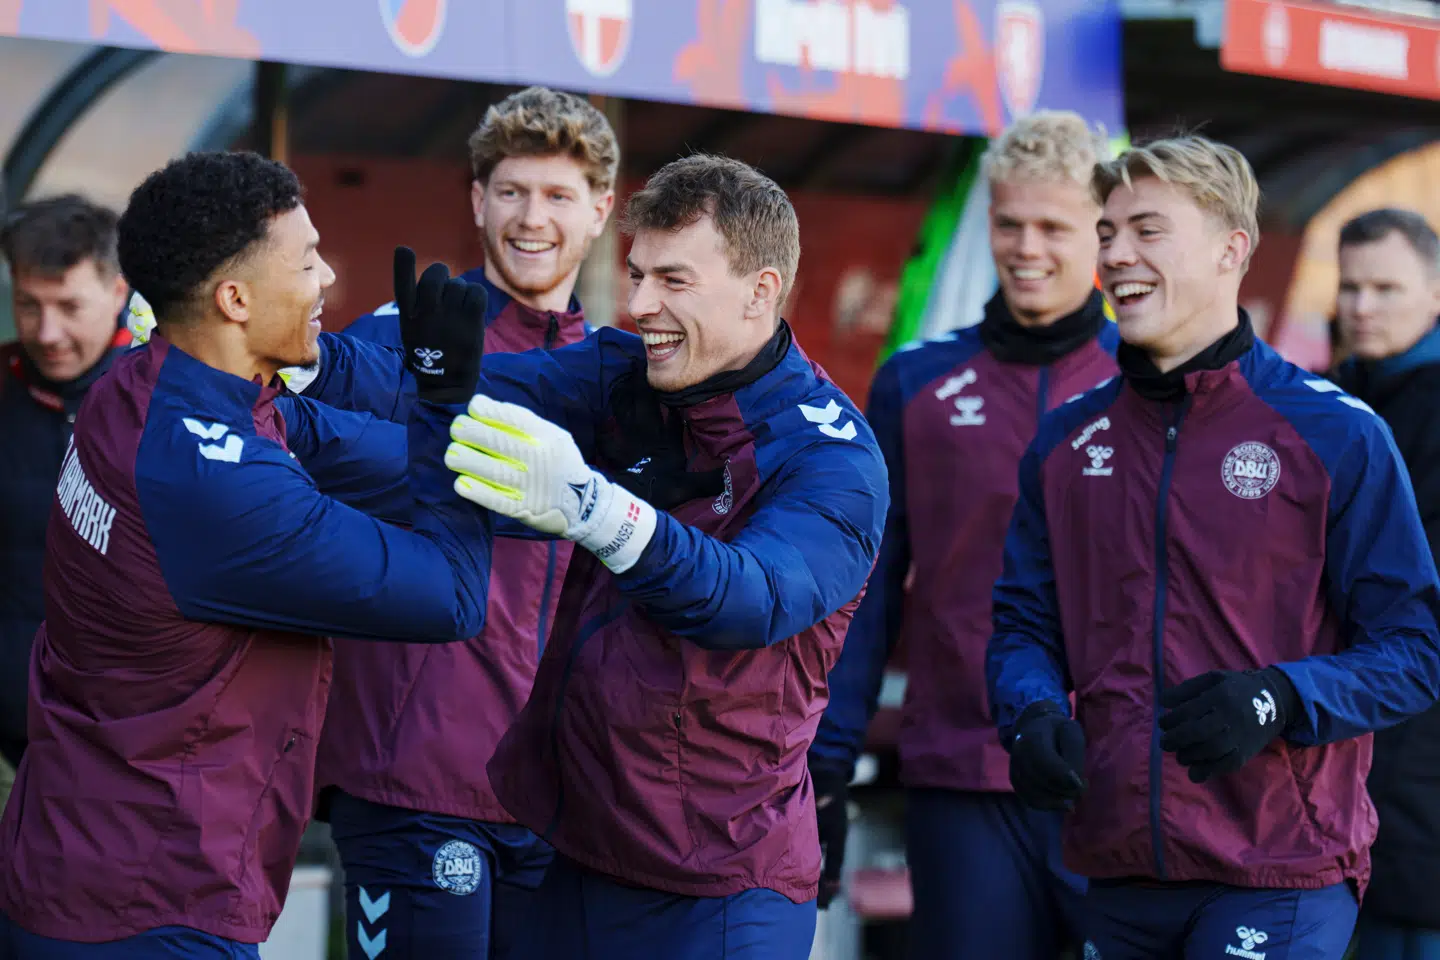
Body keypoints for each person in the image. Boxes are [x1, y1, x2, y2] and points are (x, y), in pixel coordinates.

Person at [293, 154, 889, 959]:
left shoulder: (834, 459)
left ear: (761, 290)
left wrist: (594, 507)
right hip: (574, 853)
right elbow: (463, 391)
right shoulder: (627, 373)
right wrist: (288, 353)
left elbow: (747, 599)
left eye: (674, 281)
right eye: (636, 274)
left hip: (720, 884)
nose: (641, 305)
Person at [0, 150, 499, 958]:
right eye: (305, 260)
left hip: (77, 867)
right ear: (234, 298)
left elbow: (365, 449)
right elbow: (451, 595)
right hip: (148, 905)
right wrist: (445, 408)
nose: (329, 275)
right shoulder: (215, 484)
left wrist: (573, 472)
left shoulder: (138, 386)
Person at [985, 135, 1440, 959]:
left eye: (1148, 230)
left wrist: (1279, 697)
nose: (1116, 254)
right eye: (1109, 233)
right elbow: (1023, 624)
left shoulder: (1336, 434)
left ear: (1233, 249)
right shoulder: (1065, 441)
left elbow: (1414, 650)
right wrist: (1033, 713)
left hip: (1282, 872)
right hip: (1119, 869)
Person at [312, 86, 615, 960]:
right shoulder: (395, 336)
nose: (533, 218)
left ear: (600, 212)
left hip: (563, 795)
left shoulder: (619, 369)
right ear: (477, 200)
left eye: (559, 196)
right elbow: (323, 465)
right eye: (513, 191)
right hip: (417, 777)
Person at [808, 110, 1114, 957]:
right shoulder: (919, 381)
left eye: (1054, 227)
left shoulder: (1151, 381)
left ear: (1102, 231)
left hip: (1119, 778)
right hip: (962, 771)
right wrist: (828, 762)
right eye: (1009, 224)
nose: (1027, 247)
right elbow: (866, 590)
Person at [1330, 208, 1440, 960]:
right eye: (1350, 287)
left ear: (1434, 292)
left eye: (1386, 288)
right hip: (1340, 719)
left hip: (1421, 736)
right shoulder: (1326, 399)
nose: (1363, 307)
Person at [0, 195, 132, 814]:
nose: (47, 333)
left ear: (119, 291)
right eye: (29, 305)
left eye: (69, 307)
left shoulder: (165, 400)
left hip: (132, 751)